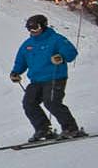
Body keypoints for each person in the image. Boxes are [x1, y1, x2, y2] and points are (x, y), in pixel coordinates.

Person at [10, 14, 85, 142]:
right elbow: (21, 61)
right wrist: (16, 72)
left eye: (35, 27)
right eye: (29, 28)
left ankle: (71, 128)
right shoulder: (27, 45)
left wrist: (61, 57)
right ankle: (43, 130)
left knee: (51, 102)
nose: (32, 31)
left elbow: (71, 53)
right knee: (29, 103)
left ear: (43, 26)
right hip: (36, 80)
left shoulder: (56, 39)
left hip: (55, 77)